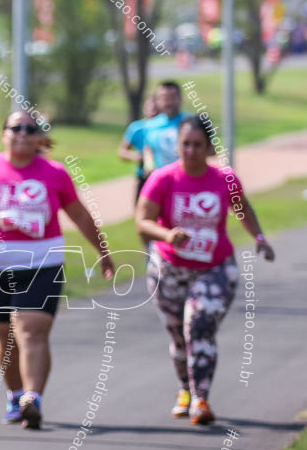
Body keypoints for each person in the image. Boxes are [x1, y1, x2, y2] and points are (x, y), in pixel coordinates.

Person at [0, 111, 113, 429]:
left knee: (32, 331)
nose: (22, 133)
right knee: (6, 335)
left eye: (30, 129)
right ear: (4, 134)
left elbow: (80, 215)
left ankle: (33, 398)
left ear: (40, 138)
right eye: (16, 127)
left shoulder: (54, 173)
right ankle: (15, 396)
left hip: (44, 263)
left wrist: (103, 252)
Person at [136, 115, 274, 426]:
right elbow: (142, 220)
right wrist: (167, 234)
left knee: (198, 328)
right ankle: (185, 389)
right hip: (168, 269)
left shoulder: (224, 179)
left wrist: (260, 238)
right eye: (185, 144)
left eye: (198, 145)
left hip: (214, 268)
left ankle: (201, 399)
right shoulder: (163, 178)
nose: (190, 151)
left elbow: (243, 209)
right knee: (179, 337)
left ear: (209, 147)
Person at [117, 94, 159, 202]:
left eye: (155, 107)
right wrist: (136, 156)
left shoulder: (167, 127)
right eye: (149, 106)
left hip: (163, 172)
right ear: (144, 108)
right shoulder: (136, 128)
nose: (152, 110)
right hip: (143, 175)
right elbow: (122, 151)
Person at [142, 81, 188, 171]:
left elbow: (210, 150)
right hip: (161, 178)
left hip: (187, 177)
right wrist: (149, 164)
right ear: (157, 101)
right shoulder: (150, 125)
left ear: (180, 99)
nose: (168, 102)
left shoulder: (191, 123)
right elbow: (148, 147)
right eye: (164, 98)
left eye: (172, 98)